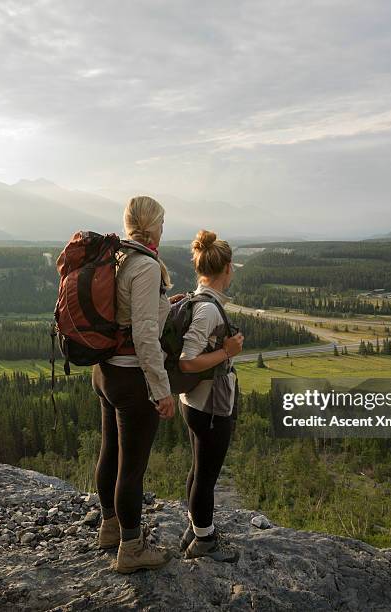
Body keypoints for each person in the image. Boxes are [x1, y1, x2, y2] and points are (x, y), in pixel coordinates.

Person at [91, 195, 184, 574]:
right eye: (162, 223)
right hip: (133, 377)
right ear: (152, 225)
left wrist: (163, 305)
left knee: (110, 451)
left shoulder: (117, 257)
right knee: (132, 467)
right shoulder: (145, 266)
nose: (164, 229)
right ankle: (132, 548)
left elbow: (133, 314)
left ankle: (110, 528)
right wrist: (161, 390)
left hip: (106, 372)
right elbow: (145, 335)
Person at [177, 229, 244, 562]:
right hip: (209, 407)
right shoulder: (209, 310)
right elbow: (187, 361)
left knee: (198, 469)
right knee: (206, 476)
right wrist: (227, 351)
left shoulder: (199, 300)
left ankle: (195, 527)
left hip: (195, 402)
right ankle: (204, 541)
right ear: (227, 268)